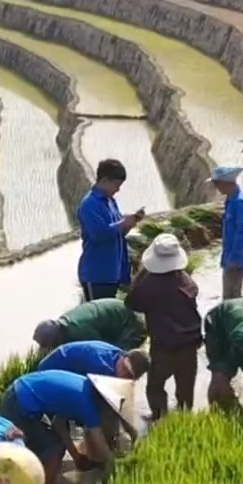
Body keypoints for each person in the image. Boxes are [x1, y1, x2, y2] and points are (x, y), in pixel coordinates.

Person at [0, 370, 133, 483]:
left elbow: (59, 424)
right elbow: (98, 440)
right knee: (53, 450)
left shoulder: (84, 386)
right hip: (18, 406)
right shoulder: (87, 404)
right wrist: (114, 467)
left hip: (17, 393)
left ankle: (31, 482)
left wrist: (76, 457)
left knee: (49, 444)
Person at [126, 233, 202, 420]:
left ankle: (159, 418)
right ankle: (184, 421)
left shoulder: (149, 283)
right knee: (185, 390)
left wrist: (140, 275)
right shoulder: (185, 278)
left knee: (155, 385)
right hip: (190, 343)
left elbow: (133, 303)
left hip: (163, 344)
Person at [76, 158, 145, 302]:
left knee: (107, 319)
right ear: (105, 181)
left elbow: (117, 234)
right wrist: (122, 223)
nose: (118, 189)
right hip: (97, 275)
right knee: (99, 319)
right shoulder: (89, 204)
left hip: (112, 273)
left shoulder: (110, 201)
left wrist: (130, 223)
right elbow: (99, 234)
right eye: (116, 185)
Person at [32, 297, 147, 353]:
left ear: (57, 338)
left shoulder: (80, 331)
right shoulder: (64, 323)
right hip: (117, 319)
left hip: (132, 324)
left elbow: (99, 350)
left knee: (116, 358)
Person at [210, 165, 243, 300]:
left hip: (237, 259)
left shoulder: (240, 202)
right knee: (230, 295)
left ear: (225, 183)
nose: (216, 187)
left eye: (216, 184)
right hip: (230, 256)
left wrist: (234, 259)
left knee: (232, 297)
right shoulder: (230, 200)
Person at [34, 339, 150, 383]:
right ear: (124, 357)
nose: (123, 375)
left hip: (71, 366)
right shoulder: (100, 367)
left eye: (129, 375)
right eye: (124, 369)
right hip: (50, 371)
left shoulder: (116, 354)